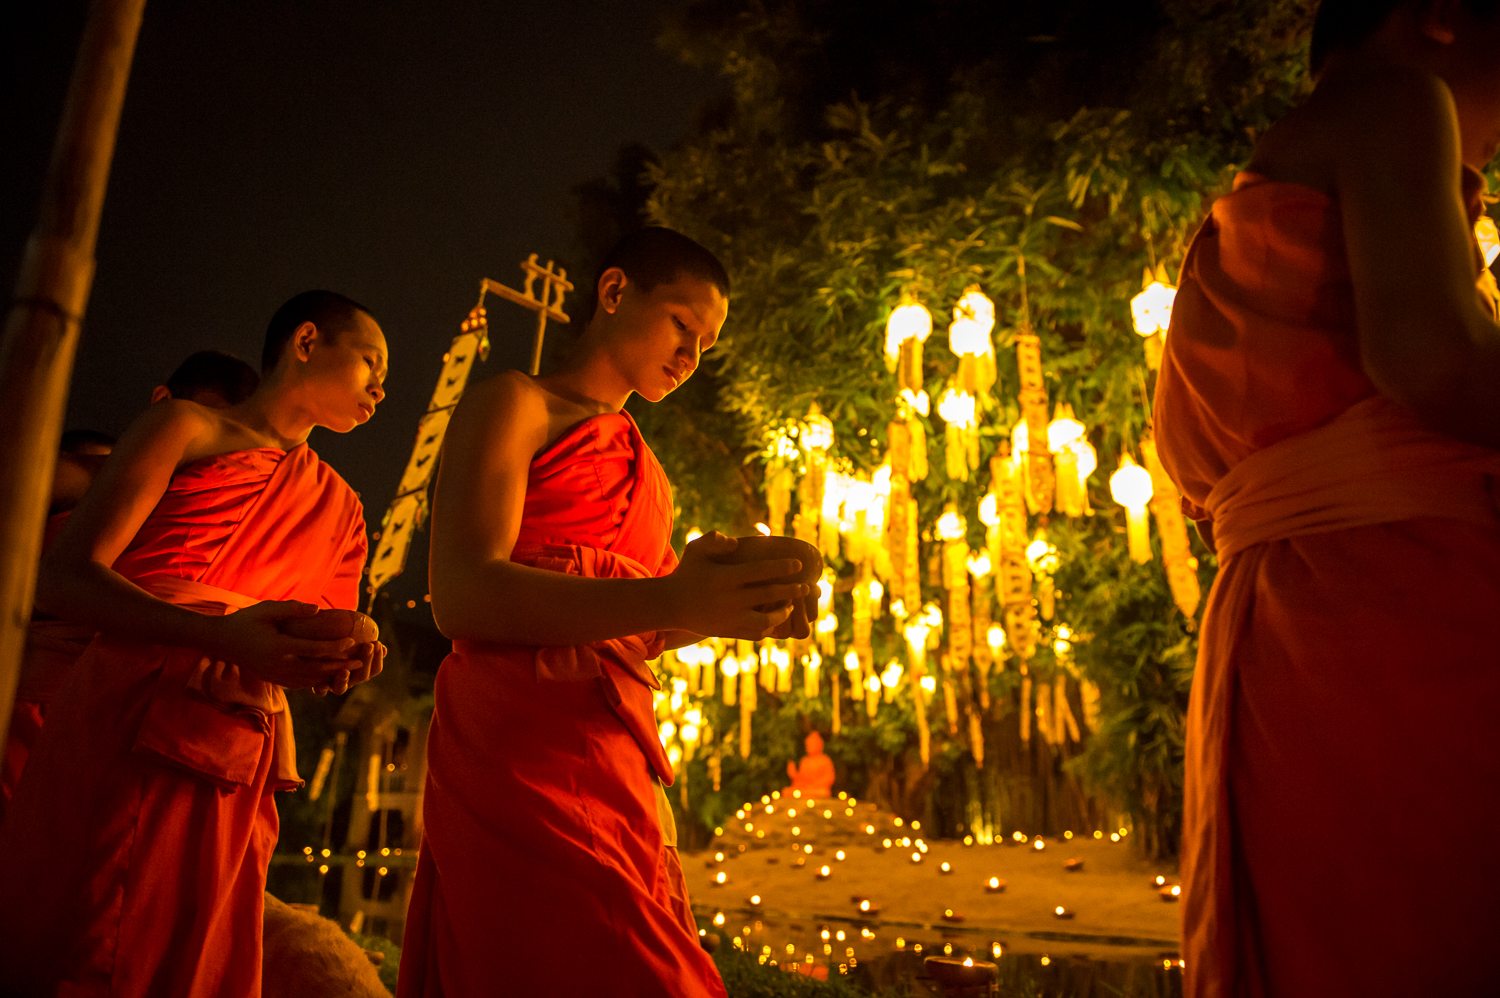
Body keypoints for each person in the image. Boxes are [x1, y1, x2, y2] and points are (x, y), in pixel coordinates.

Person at [1152, 2, 1500, 994]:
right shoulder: (1396, 97)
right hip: (1404, 615)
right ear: (1437, 15)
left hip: (1298, 624)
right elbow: (1434, 357)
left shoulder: (1265, 192)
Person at [398, 228, 810, 998]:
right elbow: (462, 592)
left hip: (620, 752)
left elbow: (642, 629)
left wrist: (731, 608)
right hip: (517, 745)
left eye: (707, 345)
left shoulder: (649, 473)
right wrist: (673, 597)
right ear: (616, 292)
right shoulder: (514, 404)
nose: (691, 357)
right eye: (683, 325)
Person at [0, 291, 388, 997]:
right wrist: (216, 634)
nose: (381, 390)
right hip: (129, 706)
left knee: (203, 954)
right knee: (97, 945)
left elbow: (312, 640)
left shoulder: (343, 507)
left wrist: (347, 654)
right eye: (369, 362)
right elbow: (64, 578)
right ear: (306, 342)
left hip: (240, 744)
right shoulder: (183, 428)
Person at [1, 352, 261, 824]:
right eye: (206, 421)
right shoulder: (80, 474)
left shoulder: (210, 503)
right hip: (29, 700)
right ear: (163, 403)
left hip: (135, 718)